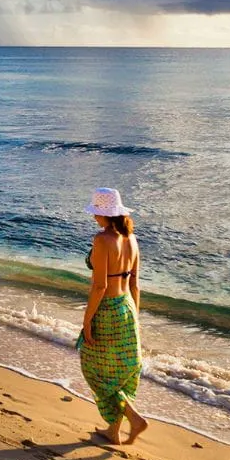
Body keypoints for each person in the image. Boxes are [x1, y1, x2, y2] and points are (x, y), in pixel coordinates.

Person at [79, 187, 147, 446]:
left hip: (106, 310)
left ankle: (133, 417)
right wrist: (135, 319)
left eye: (96, 212)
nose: (94, 217)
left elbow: (100, 287)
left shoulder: (101, 240)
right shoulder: (132, 239)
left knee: (94, 368)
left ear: (103, 214)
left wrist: (87, 322)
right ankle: (113, 431)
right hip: (127, 308)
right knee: (118, 371)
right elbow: (135, 285)